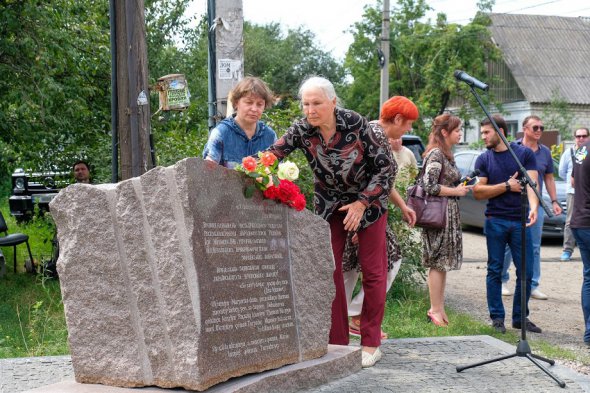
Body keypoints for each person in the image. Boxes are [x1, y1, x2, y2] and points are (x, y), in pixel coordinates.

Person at [266, 79, 418, 368]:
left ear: (333, 102)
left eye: (317, 103)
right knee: (329, 270)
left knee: (373, 272)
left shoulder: (360, 125)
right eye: (306, 104)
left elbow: (386, 169)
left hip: (368, 203)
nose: (310, 110)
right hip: (330, 204)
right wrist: (250, 170)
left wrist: (362, 203)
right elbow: (274, 154)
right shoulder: (301, 129)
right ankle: (337, 343)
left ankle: (371, 342)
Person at [344, 97, 419, 340]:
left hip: (371, 212)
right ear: (397, 119)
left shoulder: (378, 135)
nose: (408, 129)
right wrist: (359, 222)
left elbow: (384, 179)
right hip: (361, 213)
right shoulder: (373, 135)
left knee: (361, 265)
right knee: (356, 267)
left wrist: (402, 205)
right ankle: (344, 318)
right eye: (408, 124)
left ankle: (349, 317)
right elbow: (358, 181)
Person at [473, 114, 542, 334]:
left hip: (520, 221)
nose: (483, 136)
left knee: (526, 272)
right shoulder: (484, 159)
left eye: (486, 132)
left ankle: (520, 318)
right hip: (495, 220)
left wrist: (533, 207)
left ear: (500, 132)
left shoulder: (524, 154)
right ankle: (497, 318)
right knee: (494, 270)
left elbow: (532, 184)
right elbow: (478, 192)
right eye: (482, 132)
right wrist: (505, 186)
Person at [501, 115, 562, 300]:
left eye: (541, 128)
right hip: (513, 203)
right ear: (524, 129)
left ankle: (533, 284)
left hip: (536, 205)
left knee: (534, 246)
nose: (539, 131)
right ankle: (502, 280)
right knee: (510, 244)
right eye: (535, 127)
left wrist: (554, 201)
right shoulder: (513, 149)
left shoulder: (545, 152)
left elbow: (549, 178)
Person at [420, 114, 472, 327]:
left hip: (447, 212)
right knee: (437, 261)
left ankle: (439, 308)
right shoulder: (435, 154)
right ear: (444, 132)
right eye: (457, 129)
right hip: (438, 214)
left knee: (443, 263)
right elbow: (429, 185)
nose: (460, 133)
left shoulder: (447, 155)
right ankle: (434, 309)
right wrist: (455, 191)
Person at [202, 76, 277, 169]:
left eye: (259, 104)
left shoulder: (270, 136)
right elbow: (208, 173)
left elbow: (277, 174)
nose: (254, 109)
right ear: (236, 103)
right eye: (249, 102)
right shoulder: (221, 133)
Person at [570, 134, 590, 346]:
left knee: (589, 277)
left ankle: (589, 332)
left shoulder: (582, 150)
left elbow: (574, 181)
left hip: (579, 220)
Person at [558, 128, 589, 261]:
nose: (581, 138)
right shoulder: (569, 152)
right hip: (573, 192)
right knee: (570, 220)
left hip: (586, 191)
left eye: (584, 136)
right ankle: (567, 249)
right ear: (574, 138)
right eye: (578, 136)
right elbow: (561, 172)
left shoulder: (587, 151)